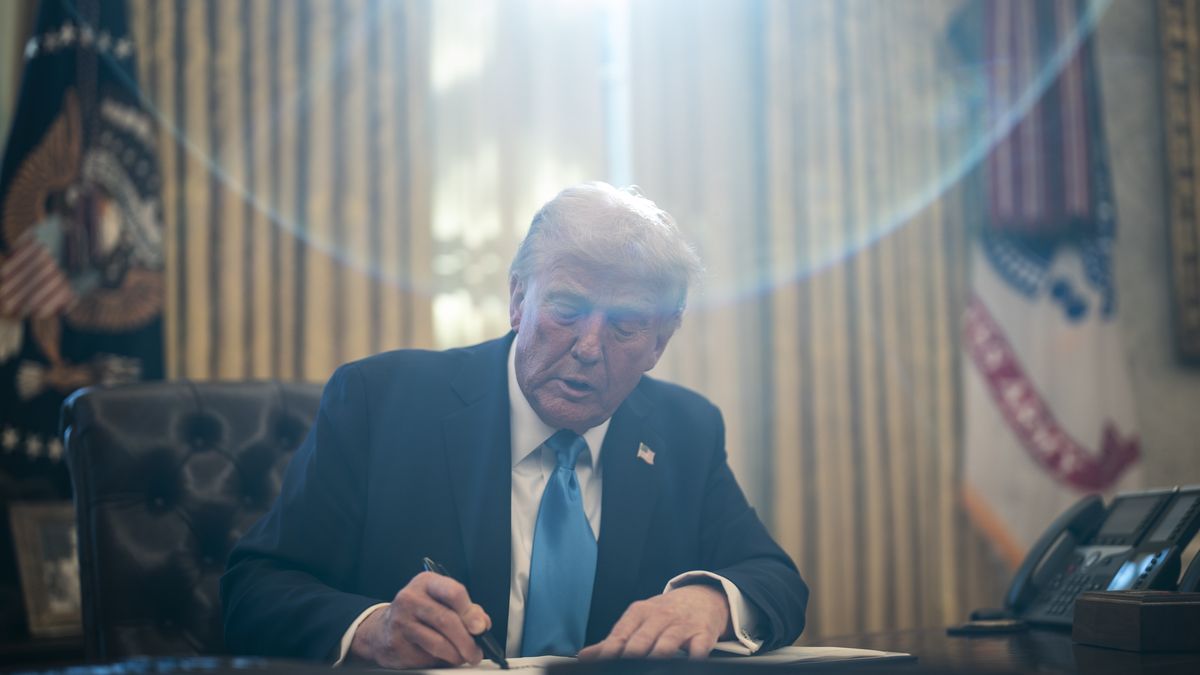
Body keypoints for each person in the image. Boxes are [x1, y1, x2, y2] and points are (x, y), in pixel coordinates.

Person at [220, 183, 808, 668]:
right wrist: (373, 628)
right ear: (518, 297)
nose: (587, 347)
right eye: (567, 310)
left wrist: (711, 602)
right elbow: (255, 589)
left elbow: (775, 579)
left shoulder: (686, 429)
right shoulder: (381, 401)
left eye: (625, 326)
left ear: (662, 339)